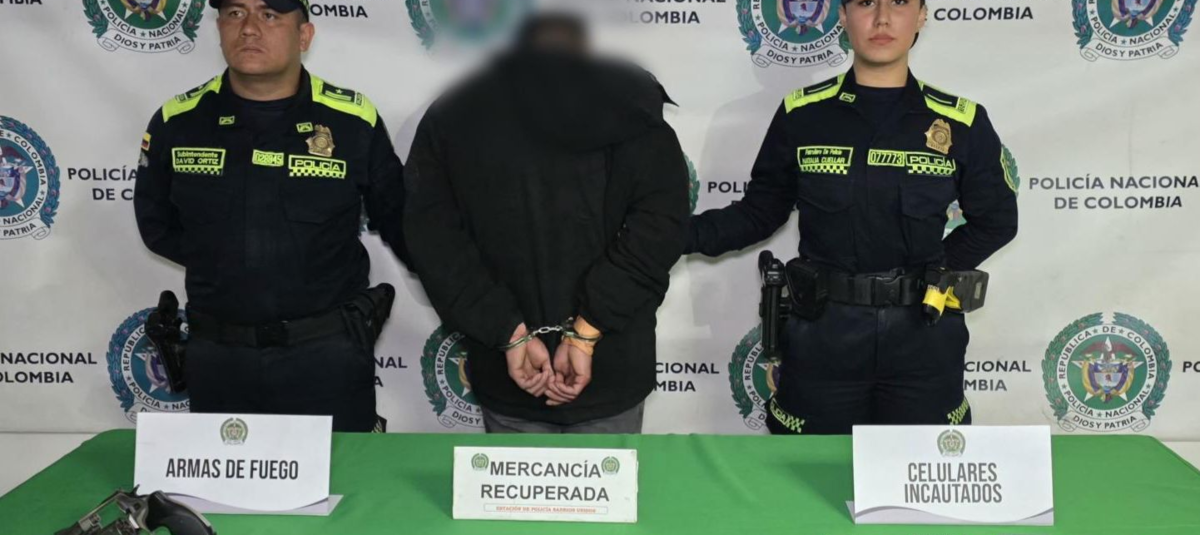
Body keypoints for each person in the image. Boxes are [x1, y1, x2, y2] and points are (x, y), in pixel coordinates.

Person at [687, 0, 1018, 435]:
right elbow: (759, 213)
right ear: (843, 17)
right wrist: (668, 235)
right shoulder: (803, 114)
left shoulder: (962, 121)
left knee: (919, 468)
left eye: (899, 3)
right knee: (806, 469)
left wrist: (934, 272)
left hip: (924, 334)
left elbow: (997, 221)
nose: (882, 18)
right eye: (865, 3)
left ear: (922, 15)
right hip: (823, 336)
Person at [404, 14, 689, 434]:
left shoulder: (454, 116)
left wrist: (510, 332)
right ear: (584, 54)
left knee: (515, 482)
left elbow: (434, 242)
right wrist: (586, 332)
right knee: (606, 479)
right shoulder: (636, 114)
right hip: (606, 363)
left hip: (513, 364)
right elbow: (657, 235)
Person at [133, 0, 407, 432]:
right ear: (219, 28)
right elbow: (157, 225)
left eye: (270, 15)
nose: (249, 28)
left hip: (327, 356)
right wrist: (229, 264)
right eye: (235, 13)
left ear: (304, 35)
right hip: (219, 357)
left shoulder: (352, 121)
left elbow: (402, 222)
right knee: (223, 478)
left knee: (343, 475)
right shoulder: (178, 121)